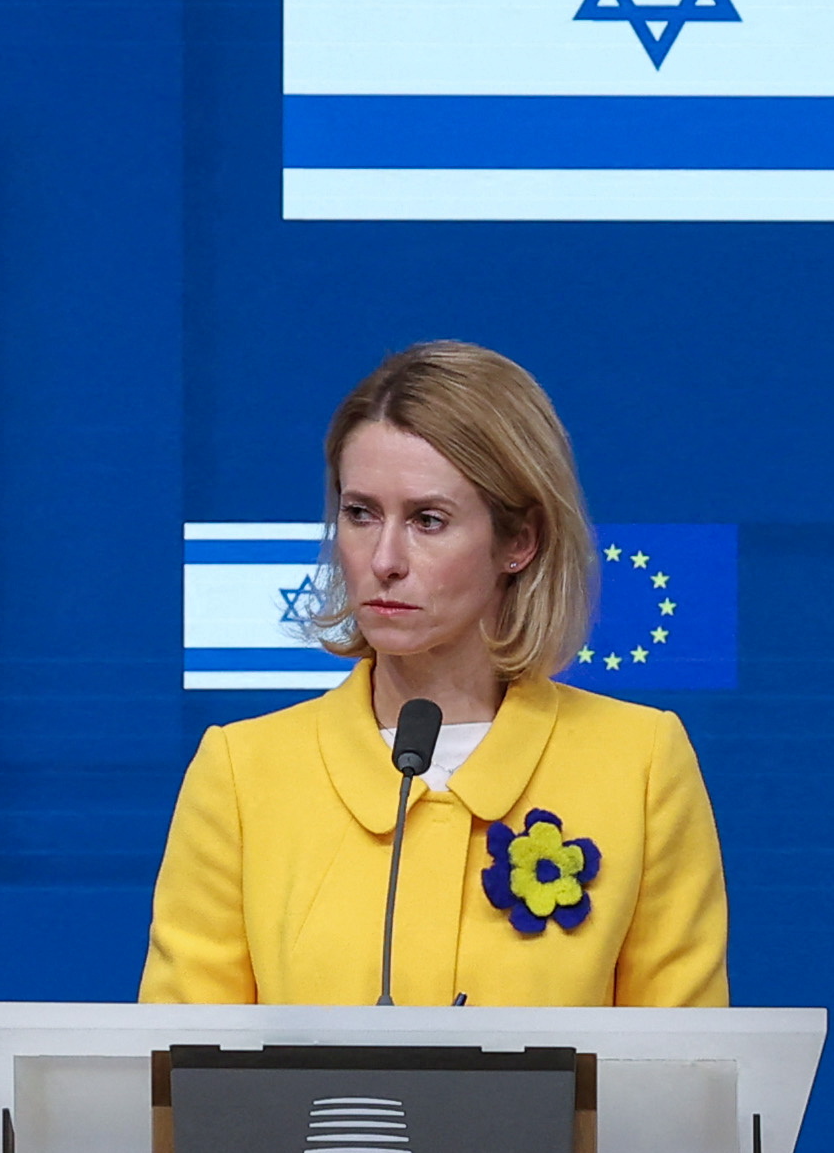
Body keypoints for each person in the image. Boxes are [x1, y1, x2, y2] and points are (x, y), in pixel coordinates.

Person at [141, 341, 729, 1006]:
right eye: (360, 514)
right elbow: (180, 1078)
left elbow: (687, 1084)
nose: (385, 558)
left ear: (519, 540)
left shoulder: (640, 765)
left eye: (428, 520)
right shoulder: (243, 774)